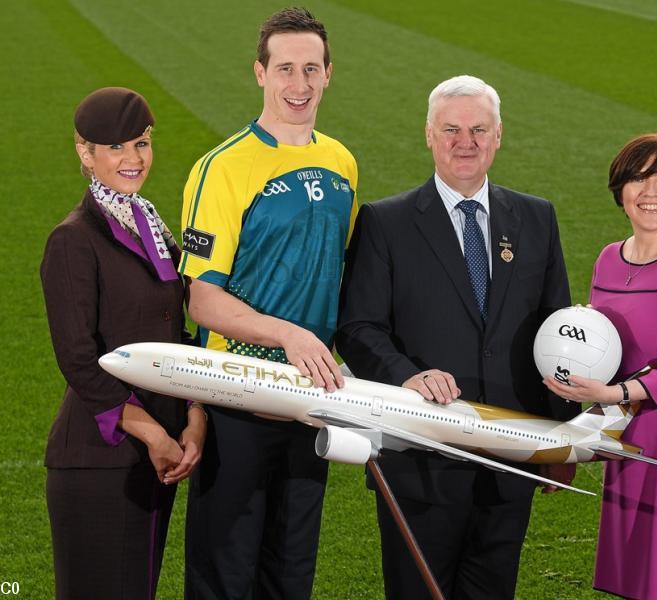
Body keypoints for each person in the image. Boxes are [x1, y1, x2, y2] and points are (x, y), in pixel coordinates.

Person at [336, 74, 575, 600]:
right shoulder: (385, 221)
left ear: (498, 135)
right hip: (420, 456)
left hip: (509, 457)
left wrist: (559, 435)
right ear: (428, 134)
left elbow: (557, 330)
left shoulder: (537, 218)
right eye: (451, 130)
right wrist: (408, 377)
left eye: (478, 130)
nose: (464, 142)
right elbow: (357, 328)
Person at [178, 7, 358, 599]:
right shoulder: (221, 168)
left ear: (330, 74)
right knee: (225, 576)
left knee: (290, 575)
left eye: (311, 69)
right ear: (260, 73)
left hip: (309, 403)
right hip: (239, 397)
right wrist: (289, 334)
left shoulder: (342, 163)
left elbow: (337, 275)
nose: (298, 85)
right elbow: (202, 300)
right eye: (285, 69)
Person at [41, 87, 206, 600]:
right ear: (84, 154)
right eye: (115, 148)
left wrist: (195, 414)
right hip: (101, 458)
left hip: (156, 454)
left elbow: (175, 332)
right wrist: (155, 434)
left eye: (142, 143)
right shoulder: (73, 239)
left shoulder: (148, 222)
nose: (133, 159)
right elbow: (78, 358)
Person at [544, 134, 657, 600]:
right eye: (638, 179)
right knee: (634, 573)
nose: (651, 192)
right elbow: (607, 352)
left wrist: (613, 395)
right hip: (626, 431)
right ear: (620, 191)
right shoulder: (608, 259)